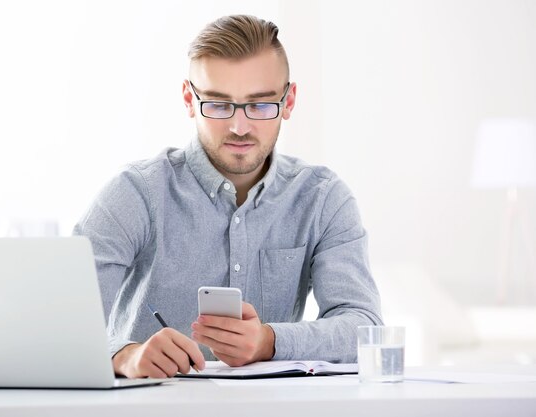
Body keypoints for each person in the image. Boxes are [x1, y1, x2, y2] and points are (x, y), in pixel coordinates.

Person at [73, 14, 382, 379]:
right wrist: (123, 356)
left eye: (260, 105)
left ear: (289, 100)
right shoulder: (136, 193)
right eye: (219, 105)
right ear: (190, 99)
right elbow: (64, 322)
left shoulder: (323, 199)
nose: (239, 127)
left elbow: (364, 329)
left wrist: (270, 341)